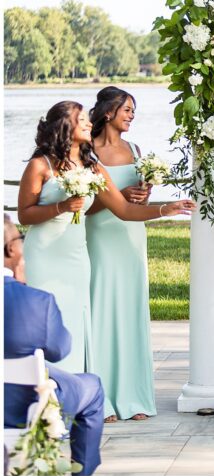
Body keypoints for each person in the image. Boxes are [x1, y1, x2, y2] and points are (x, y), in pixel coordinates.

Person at [17, 101, 194, 373]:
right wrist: (61, 207)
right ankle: (41, 390)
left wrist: (165, 209)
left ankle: (74, 392)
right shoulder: (40, 165)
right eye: (83, 120)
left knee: (75, 320)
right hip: (43, 255)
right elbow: (25, 215)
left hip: (76, 257)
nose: (90, 123)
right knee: (44, 321)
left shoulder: (93, 167)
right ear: (65, 126)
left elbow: (123, 209)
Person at [4, 215, 105, 476]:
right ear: (11, 249)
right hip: (20, 408)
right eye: (20, 237)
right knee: (92, 386)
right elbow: (60, 350)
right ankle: (81, 472)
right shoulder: (36, 301)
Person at [85, 87, 156, 422]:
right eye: (127, 109)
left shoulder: (136, 149)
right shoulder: (87, 151)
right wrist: (118, 196)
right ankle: (102, 399)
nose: (131, 115)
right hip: (100, 235)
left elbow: (133, 202)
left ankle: (133, 395)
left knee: (130, 311)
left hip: (131, 237)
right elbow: (83, 206)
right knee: (102, 309)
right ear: (109, 111)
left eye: (133, 110)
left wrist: (142, 193)